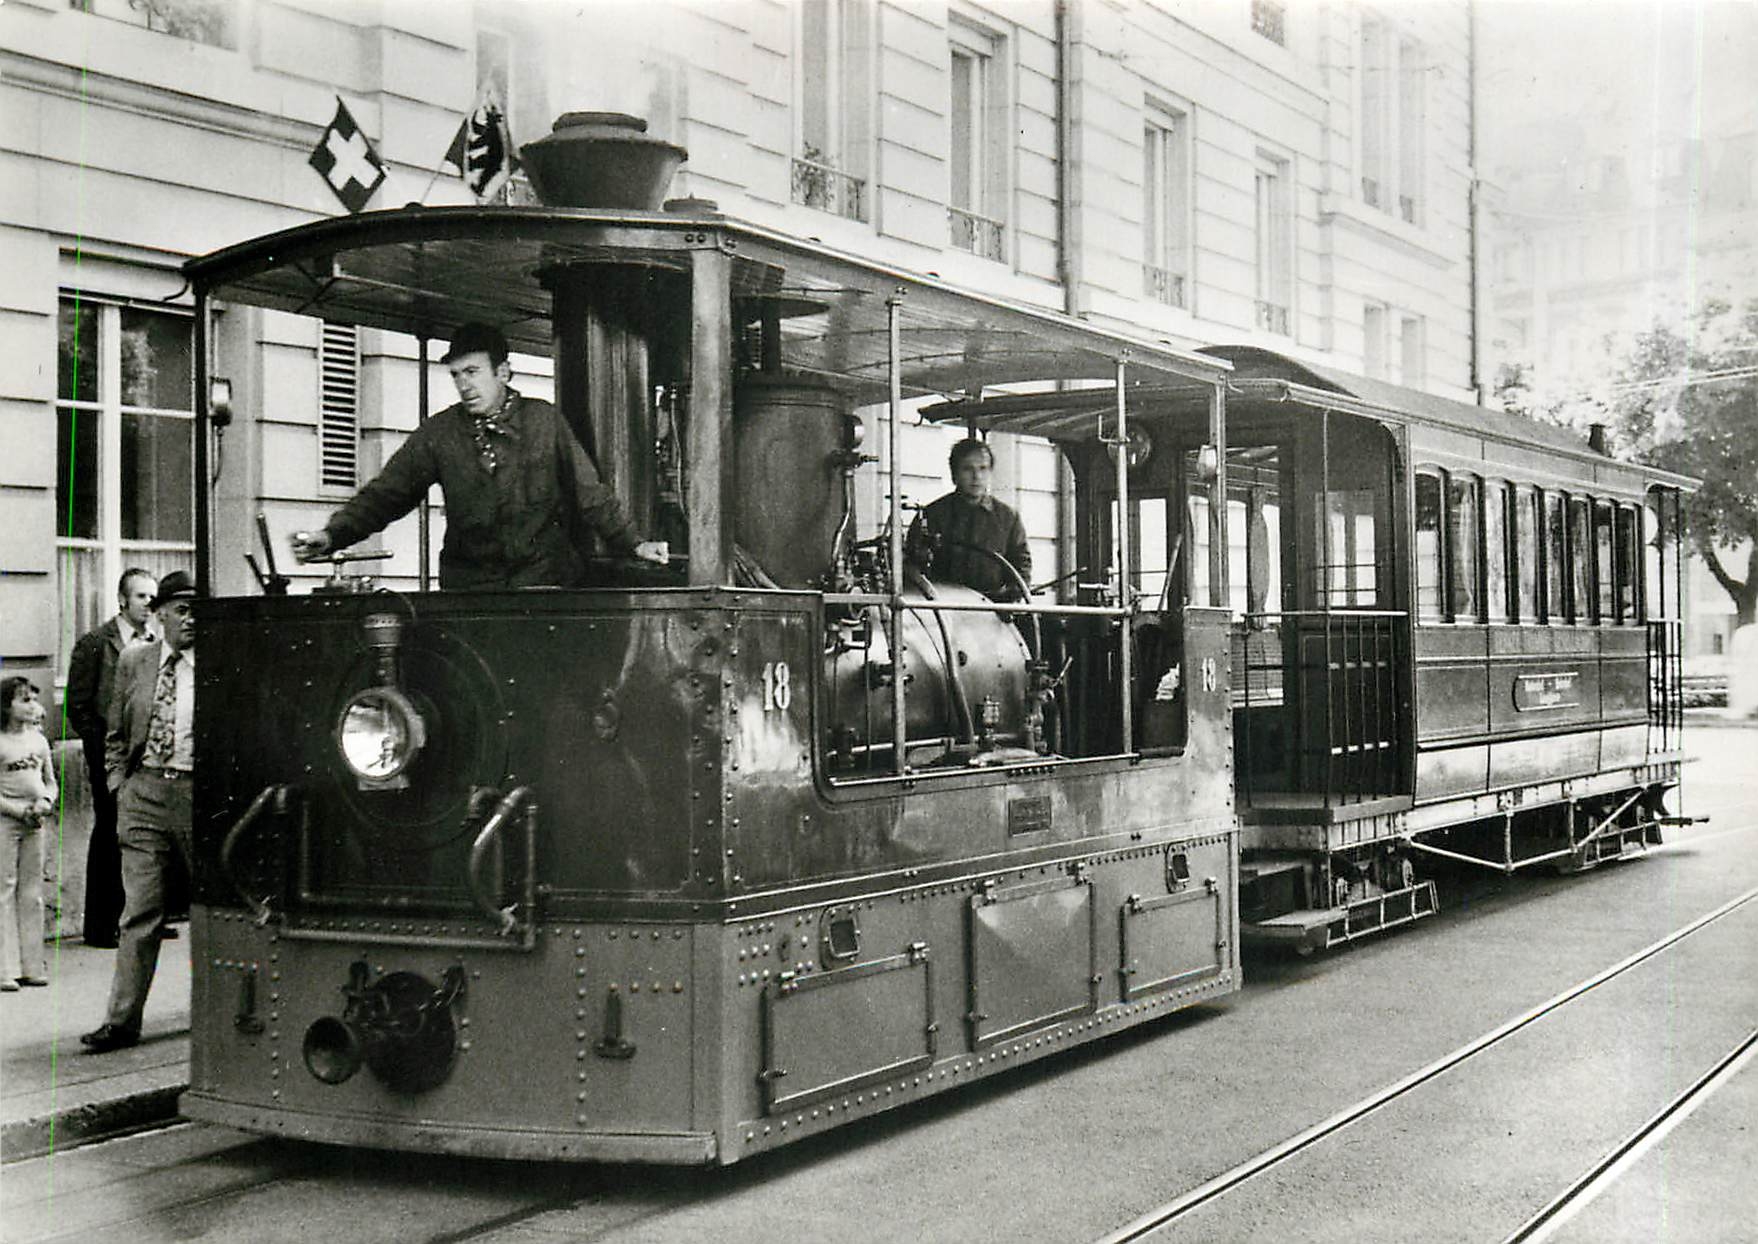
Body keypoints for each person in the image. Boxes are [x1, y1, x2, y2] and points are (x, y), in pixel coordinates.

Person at [291, 321, 668, 588]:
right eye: (456, 375)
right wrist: (332, 534)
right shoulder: (438, 433)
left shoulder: (544, 420)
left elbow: (591, 494)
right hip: (468, 591)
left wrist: (634, 543)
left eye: (472, 372)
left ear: (502, 371)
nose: (463, 385)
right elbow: (386, 494)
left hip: (541, 588)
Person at [81, 570, 199, 1053]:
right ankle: (122, 1021)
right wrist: (119, 785)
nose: (192, 619)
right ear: (161, 615)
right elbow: (114, 731)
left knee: (212, 912)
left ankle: (217, 1017)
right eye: (183, 610)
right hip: (144, 792)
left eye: (199, 610)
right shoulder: (135, 661)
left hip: (198, 796)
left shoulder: (219, 666)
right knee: (140, 912)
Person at [63, 568, 158, 949]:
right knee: (109, 832)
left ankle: (144, 918)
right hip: (110, 755)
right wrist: (100, 745)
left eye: (153, 597)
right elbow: (78, 704)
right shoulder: (96, 643)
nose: (149, 604)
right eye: (141, 597)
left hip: (148, 755)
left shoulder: (154, 641)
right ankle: (100, 925)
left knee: (145, 836)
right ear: (122, 600)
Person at [906, 437, 1034, 599]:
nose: (976, 476)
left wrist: (1010, 597)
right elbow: (912, 567)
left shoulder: (1008, 518)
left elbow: (1021, 567)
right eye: (967, 469)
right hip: (943, 611)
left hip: (993, 611)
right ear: (954, 474)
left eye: (983, 468)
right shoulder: (931, 515)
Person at [1, 678, 56, 992]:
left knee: (31, 892)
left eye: (34, 699)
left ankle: (32, 964)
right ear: (7, 705)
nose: (33, 706)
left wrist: (46, 802)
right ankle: (5, 967)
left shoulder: (38, 741)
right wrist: (16, 810)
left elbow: (50, 781)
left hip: (35, 821)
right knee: (3, 890)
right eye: (24, 700)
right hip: (6, 822)